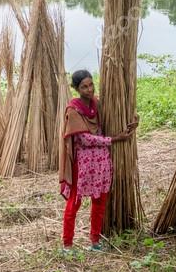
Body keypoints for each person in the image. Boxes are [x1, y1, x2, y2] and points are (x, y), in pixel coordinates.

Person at [58, 69, 137, 251]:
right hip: (84, 163)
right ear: (77, 89)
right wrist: (114, 139)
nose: (89, 90)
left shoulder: (97, 104)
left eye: (91, 84)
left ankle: (95, 241)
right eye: (84, 87)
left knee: (100, 201)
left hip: (102, 161)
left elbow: (114, 115)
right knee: (74, 202)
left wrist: (132, 119)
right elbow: (84, 139)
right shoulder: (74, 109)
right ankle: (67, 245)